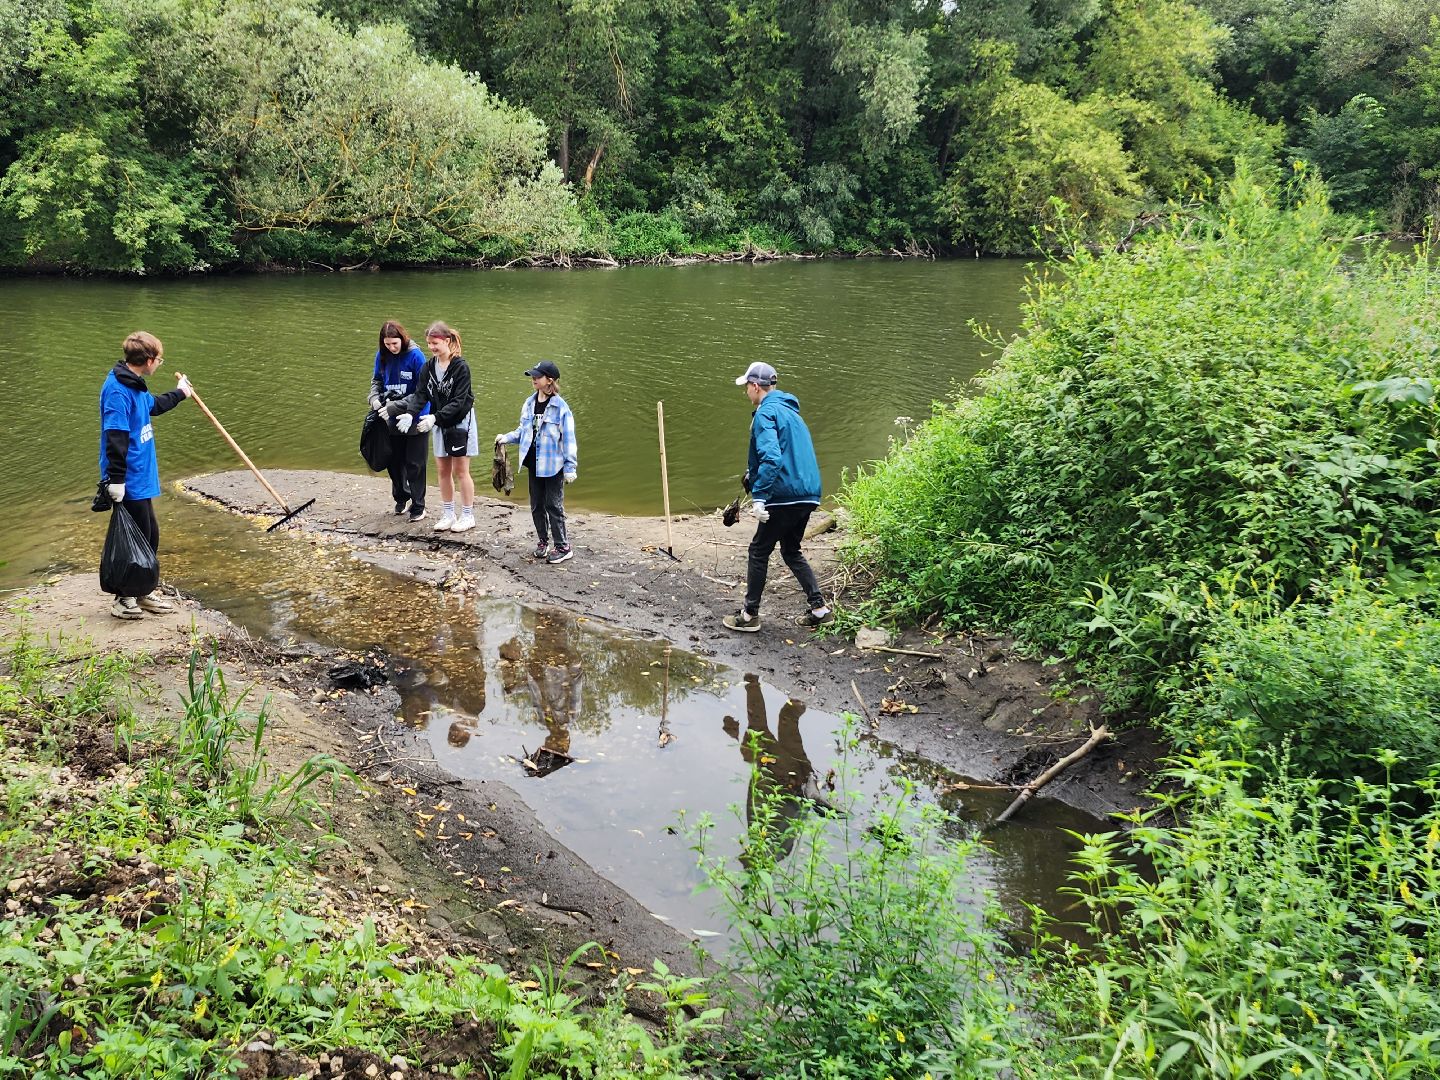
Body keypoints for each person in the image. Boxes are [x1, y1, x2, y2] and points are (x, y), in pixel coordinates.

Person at [723, 361, 832, 632]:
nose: (746, 392)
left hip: (784, 494)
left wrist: (759, 497)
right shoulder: (791, 412)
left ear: (756, 386)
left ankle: (749, 616)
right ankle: (820, 610)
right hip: (808, 493)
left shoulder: (765, 414)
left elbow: (772, 457)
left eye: (747, 386)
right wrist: (753, 473)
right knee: (791, 550)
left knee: (759, 551)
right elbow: (789, 454)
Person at [98, 331, 193, 620]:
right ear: (149, 360)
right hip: (127, 479)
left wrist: (180, 393)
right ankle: (123, 599)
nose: (159, 364)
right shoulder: (117, 390)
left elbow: (153, 405)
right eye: (159, 360)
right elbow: (115, 437)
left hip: (142, 476)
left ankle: (142, 590)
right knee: (133, 540)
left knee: (149, 536)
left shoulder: (135, 385)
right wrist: (115, 481)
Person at [395, 321, 477, 532]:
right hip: (439, 421)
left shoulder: (460, 367)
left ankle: (467, 515)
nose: (431, 347)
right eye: (429, 343)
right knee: (442, 469)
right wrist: (410, 414)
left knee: (461, 470)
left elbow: (459, 401)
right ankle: (448, 513)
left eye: (435, 343)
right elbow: (421, 394)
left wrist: (434, 418)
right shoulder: (429, 367)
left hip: (459, 422)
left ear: (447, 341)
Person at [495, 360, 578, 564]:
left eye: (538, 376)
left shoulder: (561, 408)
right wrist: (507, 437)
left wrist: (570, 467)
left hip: (553, 466)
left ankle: (563, 546)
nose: (533, 379)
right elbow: (523, 431)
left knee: (554, 505)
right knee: (536, 505)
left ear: (549, 380)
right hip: (533, 463)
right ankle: (543, 542)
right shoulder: (529, 403)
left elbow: (569, 439)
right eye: (533, 376)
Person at [367, 320, 430, 522]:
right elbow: (376, 381)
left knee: (415, 463)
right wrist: (374, 399)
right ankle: (402, 497)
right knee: (394, 461)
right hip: (389, 417)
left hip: (415, 417)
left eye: (395, 343)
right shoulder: (382, 356)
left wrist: (395, 406)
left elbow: (423, 392)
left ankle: (419, 505)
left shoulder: (416, 356)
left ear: (402, 339)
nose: (392, 348)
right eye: (387, 344)